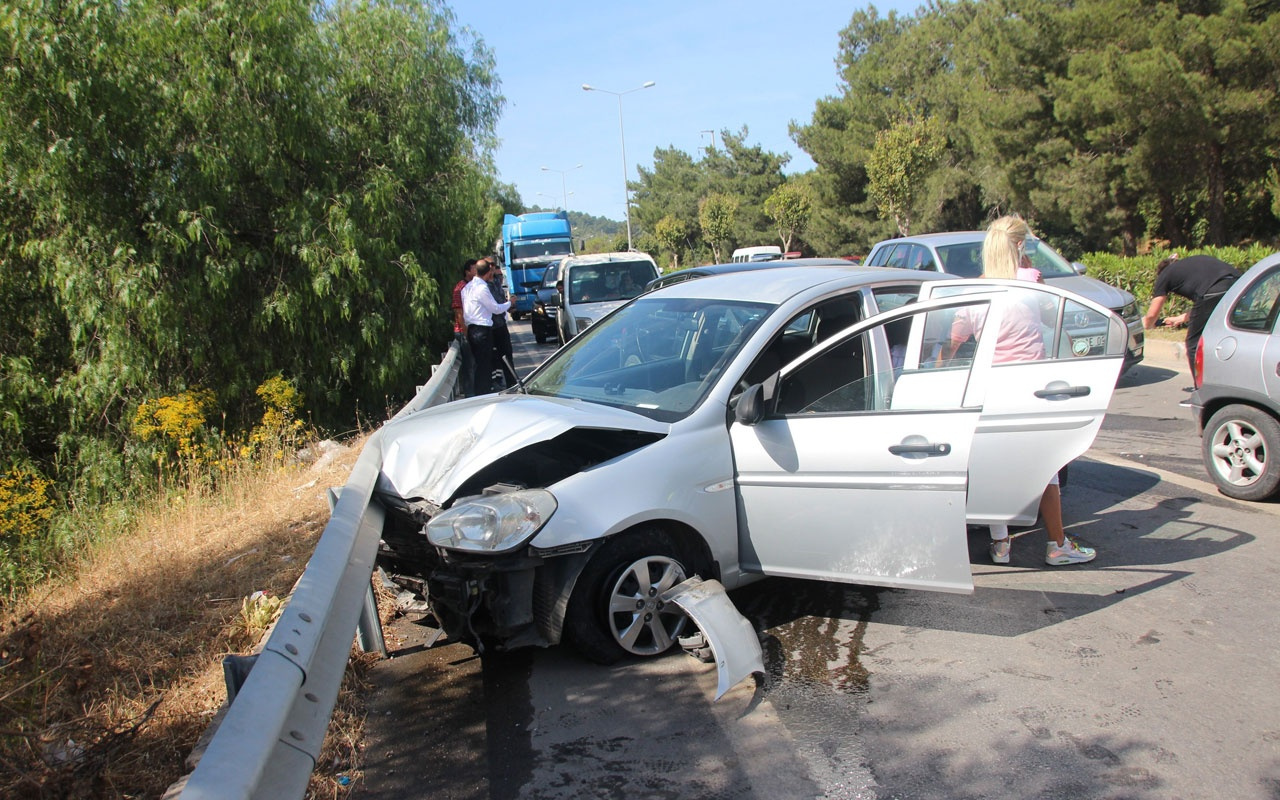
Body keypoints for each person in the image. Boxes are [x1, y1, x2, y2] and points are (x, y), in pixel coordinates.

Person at [978, 215, 1096, 566]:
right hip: (1031, 387)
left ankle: (1001, 545)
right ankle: (1057, 544)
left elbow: (955, 339)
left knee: (992, 467)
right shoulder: (1031, 281)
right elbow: (1052, 319)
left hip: (991, 388)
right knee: (1046, 468)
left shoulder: (977, 288)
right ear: (1019, 246)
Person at [1141, 253, 1240, 375]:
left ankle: (1201, 387)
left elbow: (1152, 313)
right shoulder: (1191, 265)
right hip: (1239, 284)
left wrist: (1147, 323)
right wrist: (1180, 318)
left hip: (1214, 290)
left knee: (1194, 344)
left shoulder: (1165, 275)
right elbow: (1205, 305)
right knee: (1227, 334)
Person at [462, 260, 511, 395]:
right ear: (488, 272)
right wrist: (509, 303)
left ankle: (481, 393)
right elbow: (495, 309)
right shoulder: (482, 288)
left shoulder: (467, 288)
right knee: (485, 366)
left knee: (480, 365)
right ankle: (482, 394)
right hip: (482, 330)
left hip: (472, 329)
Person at [485, 257, 517, 390]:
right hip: (490, 325)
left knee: (507, 354)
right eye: (490, 265)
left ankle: (512, 382)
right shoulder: (483, 285)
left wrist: (509, 305)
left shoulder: (497, 281)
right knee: (492, 357)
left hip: (500, 324)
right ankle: (493, 383)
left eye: (494, 265)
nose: (493, 267)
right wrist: (508, 304)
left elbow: (500, 300)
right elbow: (494, 306)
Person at [451, 260, 478, 397]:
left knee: (475, 365)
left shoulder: (474, 286)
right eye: (474, 268)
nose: (477, 270)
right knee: (469, 367)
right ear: (467, 271)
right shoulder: (460, 288)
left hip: (472, 331)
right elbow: (459, 314)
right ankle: (470, 396)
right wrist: (466, 333)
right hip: (464, 332)